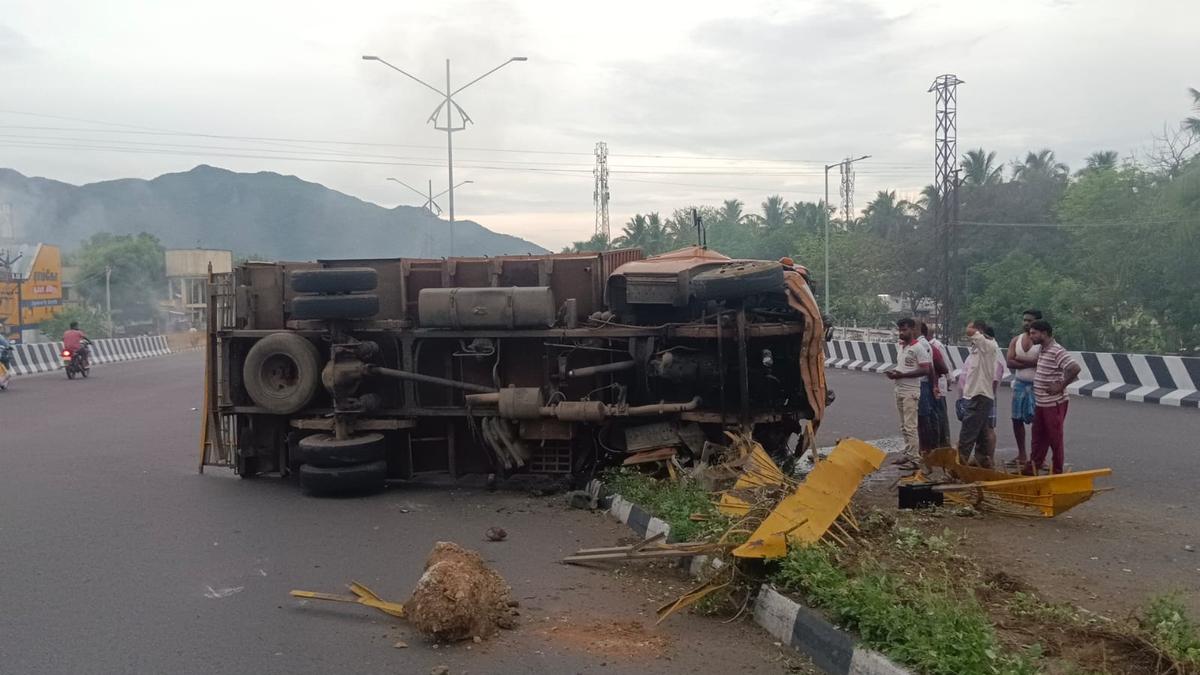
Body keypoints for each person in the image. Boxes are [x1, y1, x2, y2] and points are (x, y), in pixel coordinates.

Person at [1026, 320, 1081, 475]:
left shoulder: (1057, 350)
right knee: (1038, 437)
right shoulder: (1043, 350)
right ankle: (1033, 467)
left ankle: (1057, 470)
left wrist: (1060, 386)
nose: (1031, 337)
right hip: (1041, 402)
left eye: (1033, 333)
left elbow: (1074, 368)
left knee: (1054, 438)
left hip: (1053, 403)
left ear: (1044, 333)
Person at [955, 325, 1005, 465]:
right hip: (974, 395)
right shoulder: (978, 350)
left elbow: (970, 330)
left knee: (967, 435)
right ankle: (984, 463)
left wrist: (974, 327)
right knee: (982, 435)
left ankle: (959, 467)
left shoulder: (988, 346)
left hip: (979, 395)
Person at [885, 318, 930, 461]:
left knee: (910, 426)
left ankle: (914, 458)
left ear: (912, 330)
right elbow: (903, 367)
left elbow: (926, 370)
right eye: (900, 330)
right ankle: (908, 453)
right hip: (899, 388)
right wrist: (895, 373)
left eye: (904, 330)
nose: (901, 333)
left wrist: (903, 374)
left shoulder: (918, 348)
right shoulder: (901, 346)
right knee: (904, 425)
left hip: (911, 391)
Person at [1006, 309, 1042, 466]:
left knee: (1039, 422)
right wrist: (1032, 362)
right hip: (1020, 384)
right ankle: (1022, 454)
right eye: (1025, 320)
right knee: (1016, 419)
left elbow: (1043, 362)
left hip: (1037, 386)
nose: (1026, 323)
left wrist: (1020, 359)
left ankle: (1038, 456)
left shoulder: (1042, 342)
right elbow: (1009, 362)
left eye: (1030, 320)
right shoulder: (1016, 340)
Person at [921, 322, 953, 448]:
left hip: (939, 384)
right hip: (931, 385)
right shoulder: (925, 345)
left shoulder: (936, 346)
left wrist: (949, 379)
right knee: (933, 414)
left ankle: (944, 443)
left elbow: (946, 365)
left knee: (940, 415)